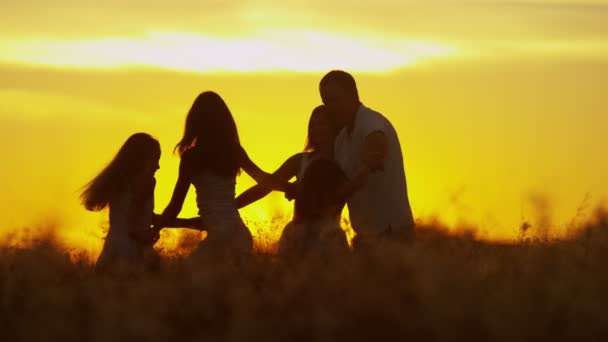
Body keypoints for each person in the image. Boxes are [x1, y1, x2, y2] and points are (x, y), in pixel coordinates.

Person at [157, 91, 292, 257]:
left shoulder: (191, 157)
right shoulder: (233, 150)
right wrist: (291, 188)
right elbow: (263, 178)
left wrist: (154, 227)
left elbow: (175, 206)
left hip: (219, 238)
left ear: (195, 122)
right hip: (239, 235)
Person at [319, 70, 416, 249]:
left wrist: (374, 157)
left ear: (353, 95)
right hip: (364, 238)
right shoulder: (341, 139)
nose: (331, 107)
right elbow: (341, 183)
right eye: (326, 102)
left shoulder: (372, 123)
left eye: (335, 100)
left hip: (392, 234)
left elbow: (376, 144)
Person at [81, 133, 163, 272]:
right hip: (131, 248)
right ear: (143, 160)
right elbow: (134, 222)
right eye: (155, 160)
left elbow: (140, 213)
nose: (158, 166)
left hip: (113, 245)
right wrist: (148, 235)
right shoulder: (146, 181)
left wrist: (181, 222)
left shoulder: (118, 180)